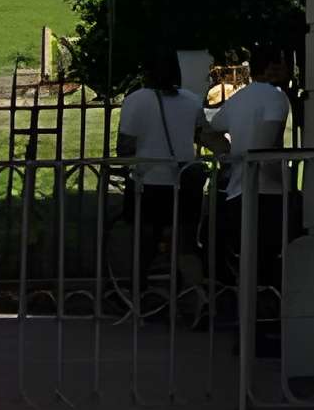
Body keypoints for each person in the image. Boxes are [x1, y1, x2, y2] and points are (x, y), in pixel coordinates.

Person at [203, 45, 294, 339]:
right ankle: (268, 324)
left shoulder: (239, 98)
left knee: (248, 261)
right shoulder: (276, 99)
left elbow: (209, 128)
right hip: (267, 193)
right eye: (281, 65)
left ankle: (247, 326)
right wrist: (286, 186)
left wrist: (228, 153)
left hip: (237, 191)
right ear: (270, 68)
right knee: (273, 260)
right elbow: (267, 150)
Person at [113, 46, 203, 319]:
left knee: (144, 241)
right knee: (185, 243)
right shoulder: (191, 100)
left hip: (148, 182)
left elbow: (124, 147)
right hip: (184, 181)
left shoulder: (135, 100)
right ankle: (199, 297)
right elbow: (203, 135)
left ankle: (138, 298)